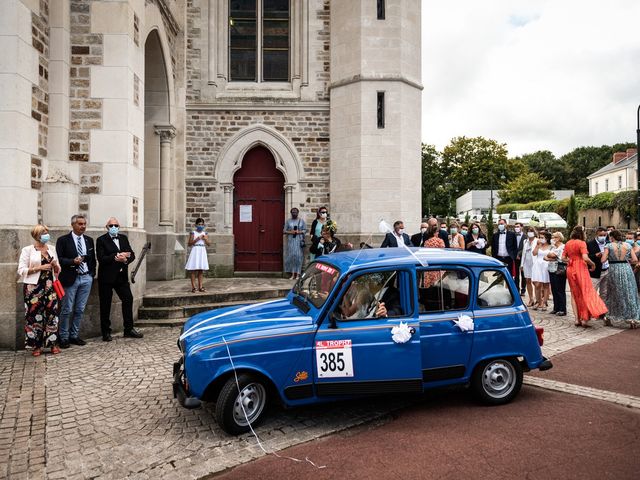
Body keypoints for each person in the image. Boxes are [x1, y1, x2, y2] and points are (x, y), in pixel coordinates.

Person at [17, 224, 62, 356]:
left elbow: (58, 270)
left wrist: (55, 266)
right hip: (33, 288)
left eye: (47, 232)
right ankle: (36, 346)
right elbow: (21, 270)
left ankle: (53, 344)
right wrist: (39, 268)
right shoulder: (28, 250)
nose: (46, 235)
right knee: (34, 316)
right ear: (37, 235)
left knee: (52, 315)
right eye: (43, 232)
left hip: (50, 286)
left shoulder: (51, 249)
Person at [96, 217, 143, 341]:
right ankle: (106, 332)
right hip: (106, 277)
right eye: (111, 225)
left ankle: (128, 329)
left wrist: (126, 259)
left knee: (128, 299)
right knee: (105, 304)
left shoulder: (123, 238)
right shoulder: (101, 240)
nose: (113, 227)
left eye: (115, 225)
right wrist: (115, 256)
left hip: (121, 276)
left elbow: (131, 254)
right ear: (107, 227)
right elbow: (101, 258)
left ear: (119, 226)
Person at [55, 214, 96, 348]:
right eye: (80, 224)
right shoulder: (63, 240)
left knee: (79, 309)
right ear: (73, 225)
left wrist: (91, 274)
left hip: (86, 278)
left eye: (84, 224)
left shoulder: (89, 240)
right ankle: (63, 337)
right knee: (67, 309)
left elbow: (92, 259)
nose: (83, 226)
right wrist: (73, 261)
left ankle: (74, 335)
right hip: (70, 278)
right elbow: (59, 259)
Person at [562, 226, 607, 328]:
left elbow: (563, 258)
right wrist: (593, 264)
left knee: (574, 294)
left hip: (570, 268)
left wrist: (570, 261)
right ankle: (584, 319)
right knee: (585, 292)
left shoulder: (568, 243)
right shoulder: (582, 243)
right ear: (582, 233)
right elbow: (585, 258)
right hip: (581, 268)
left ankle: (577, 319)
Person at [600, 230, 640, 329]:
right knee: (629, 292)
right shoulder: (627, 245)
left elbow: (603, 260)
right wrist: (626, 260)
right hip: (626, 269)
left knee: (613, 293)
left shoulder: (608, 246)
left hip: (614, 269)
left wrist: (607, 256)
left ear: (612, 237)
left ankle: (609, 316)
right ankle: (632, 318)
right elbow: (635, 260)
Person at [544, 231, 567, 316]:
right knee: (554, 289)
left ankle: (562, 309)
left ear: (558, 238)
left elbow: (556, 257)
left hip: (559, 270)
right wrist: (550, 257)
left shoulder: (562, 247)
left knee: (560, 289)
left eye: (554, 237)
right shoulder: (553, 247)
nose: (552, 239)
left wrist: (550, 256)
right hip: (551, 269)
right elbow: (547, 256)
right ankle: (556, 307)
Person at [185, 218, 210, 292]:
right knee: (193, 269)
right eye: (199, 224)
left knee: (200, 270)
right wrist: (197, 239)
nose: (201, 226)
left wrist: (205, 239)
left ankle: (200, 286)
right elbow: (189, 244)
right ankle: (193, 287)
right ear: (196, 225)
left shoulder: (205, 234)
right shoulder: (193, 233)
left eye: (202, 224)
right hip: (195, 250)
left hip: (202, 250)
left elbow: (209, 244)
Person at [586, 227, 609, 301]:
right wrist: (595, 255)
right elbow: (586, 257)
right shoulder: (590, 244)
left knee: (604, 292)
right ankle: (592, 309)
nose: (603, 237)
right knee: (592, 291)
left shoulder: (608, 243)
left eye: (604, 235)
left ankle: (602, 310)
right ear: (596, 234)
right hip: (595, 271)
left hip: (607, 270)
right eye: (601, 235)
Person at [283, 208, 306, 280]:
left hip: (299, 241)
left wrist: (298, 232)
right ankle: (293, 274)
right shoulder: (288, 221)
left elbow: (305, 230)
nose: (294, 213)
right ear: (291, 213)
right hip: (291, 241)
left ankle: (298, 274)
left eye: (295, 212)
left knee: (298, 257)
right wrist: (291, 232)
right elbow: (284, 231)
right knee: (292, 257)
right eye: (293, 212)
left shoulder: (301, 221)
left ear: (298, 213)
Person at [531, 231, 551, 310]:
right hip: (538, 265)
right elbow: (534, 253)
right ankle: (538, 301)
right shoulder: (538, 245)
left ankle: (545, 302)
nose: (540, 239)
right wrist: (537, 245)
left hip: (546, 265)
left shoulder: (550, 246)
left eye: (542, 237)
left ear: (547, 238)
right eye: (539, 237)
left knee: (546, 284)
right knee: (537, 284)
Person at [520, 226, 538, 306]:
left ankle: (539, 298)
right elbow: (523, 253)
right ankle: (531, 299)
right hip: (526, 263)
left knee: (535, 282)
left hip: (534, 263)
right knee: (527, 280)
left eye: (531, 231)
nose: (529, 232)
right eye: (528, 231)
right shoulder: (525, 241)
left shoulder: (537, 241)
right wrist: (521, 264)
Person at [514, 222, 526, 294]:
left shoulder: (526, 236)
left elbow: (525, 247)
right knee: (516, 274)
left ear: (522, 227)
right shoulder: (512, 235)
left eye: (518, 226)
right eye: (515, 226)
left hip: (523, 257)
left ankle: (523, 289)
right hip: (514, 257)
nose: (516, 228)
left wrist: (519, 254)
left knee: (523, 274)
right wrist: (515, 255)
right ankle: (516, 289)